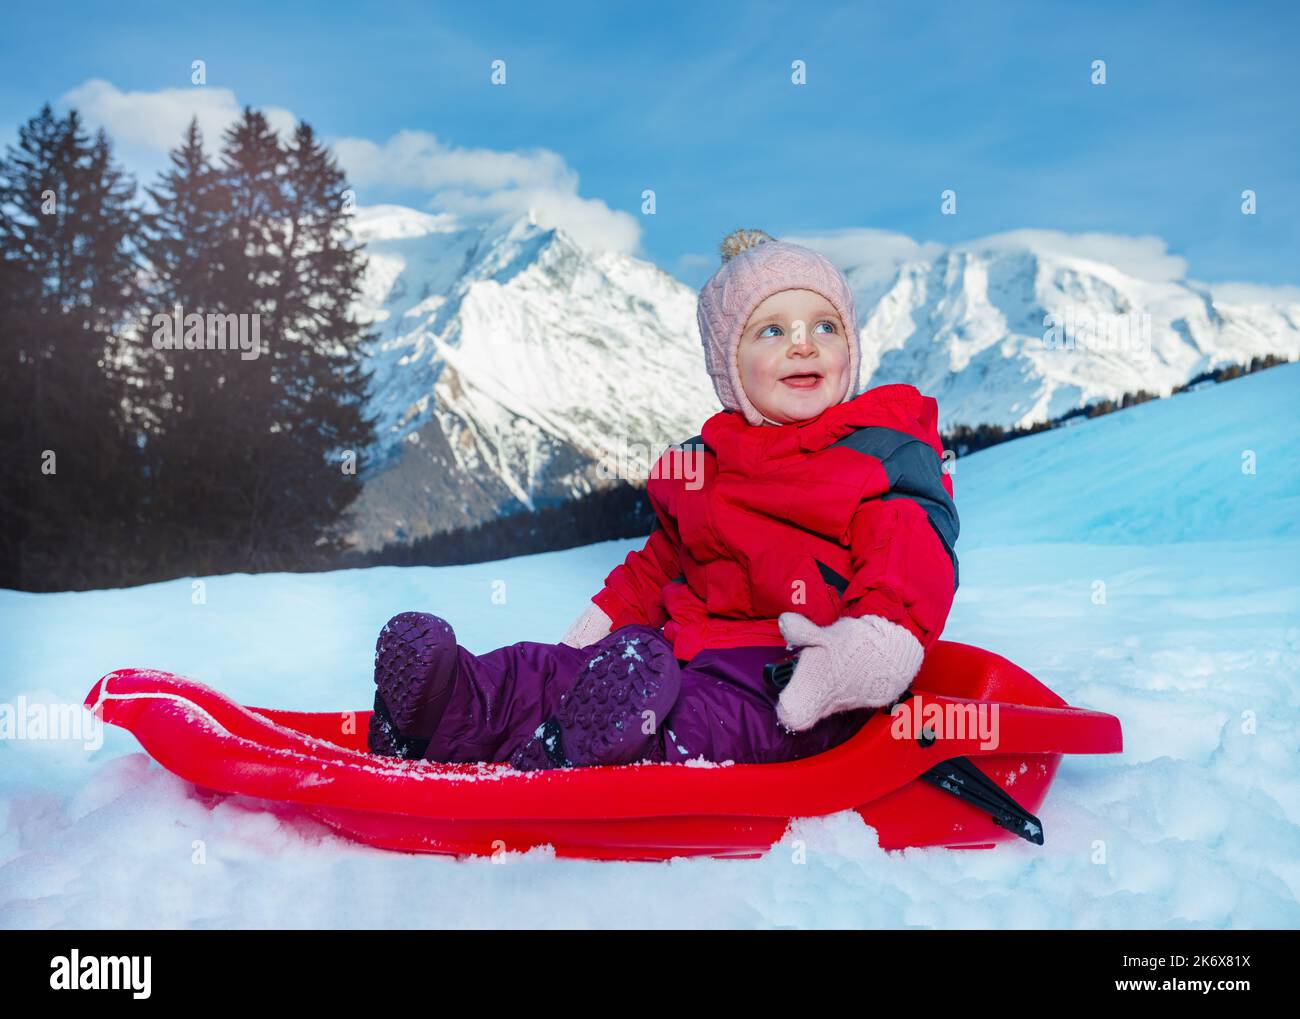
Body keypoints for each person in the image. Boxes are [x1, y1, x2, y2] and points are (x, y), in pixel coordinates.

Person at [367, 228, 959, 770]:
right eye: (773, 330)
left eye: (825, 327)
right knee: (546, 671)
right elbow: (657, 572)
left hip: (797, 686)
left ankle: (582, 750)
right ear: (729, 367)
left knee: (692, 719)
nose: (804, 346)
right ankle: (444, 709)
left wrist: (864, 652)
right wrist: (583, 646)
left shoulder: (878, 457)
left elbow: (910, 563)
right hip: (671, 661)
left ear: (851, 347)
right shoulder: (705, 466)